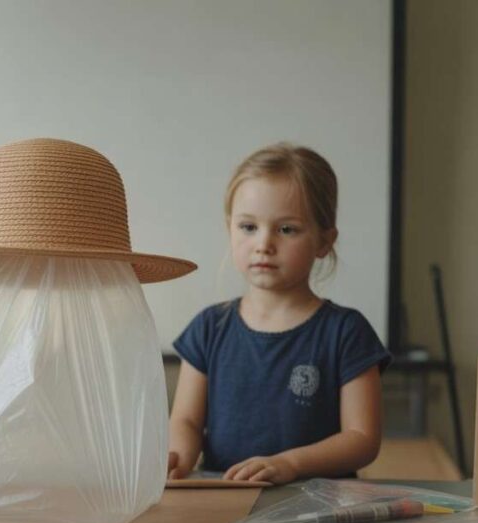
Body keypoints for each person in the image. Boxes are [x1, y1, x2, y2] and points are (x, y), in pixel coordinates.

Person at [167, 143, 390, 484]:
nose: (263, 244)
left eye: (286, 229)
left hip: (317, 510)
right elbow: (185, 421)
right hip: (225, 501)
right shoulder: (209, 327)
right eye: (248, 227)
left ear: (324, 241)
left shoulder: (346, 332)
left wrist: (290, 464)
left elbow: (362, 439)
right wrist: (177, 460)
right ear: (230, 228)